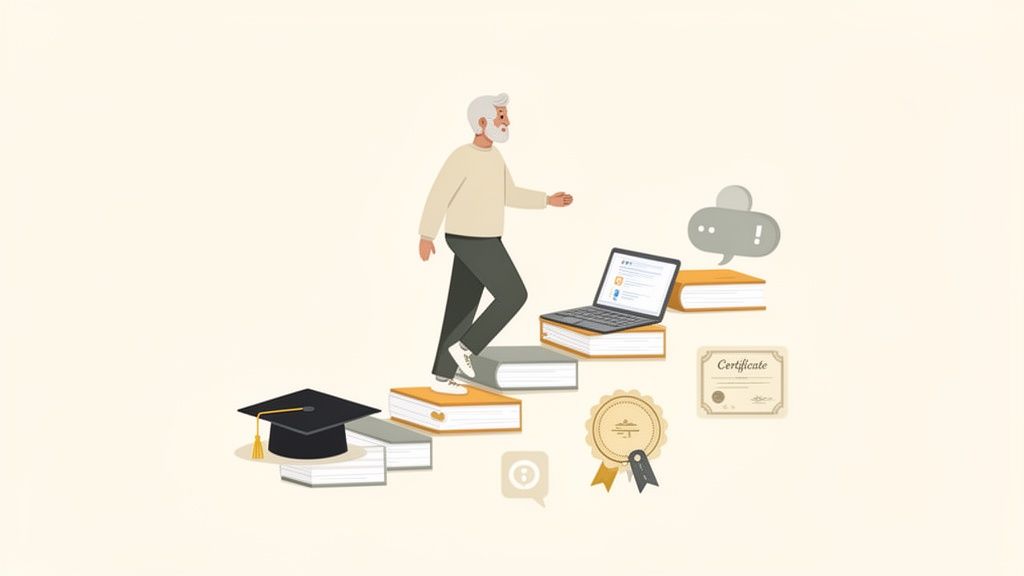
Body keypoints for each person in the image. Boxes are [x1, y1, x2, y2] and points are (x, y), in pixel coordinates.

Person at [418, 93, 573, 395]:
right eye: (502, 116)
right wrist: (427, 234)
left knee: (462, 306)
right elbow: (439, 194)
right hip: (469, 239)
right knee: (514, 295)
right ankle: (466, 347)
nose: (507, 122)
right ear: (482, 122)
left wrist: (546, 200)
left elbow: (509, 194)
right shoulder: (461, 156)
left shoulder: (496, 158)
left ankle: (443, 374)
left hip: (486, 237)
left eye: (505, 116)